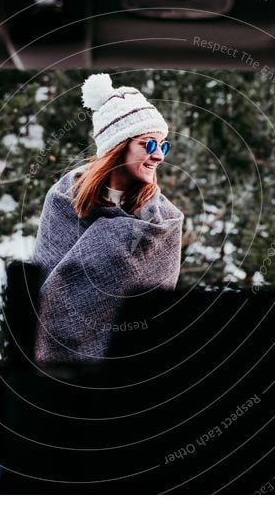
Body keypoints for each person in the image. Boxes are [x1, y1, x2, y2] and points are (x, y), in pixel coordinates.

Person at [32, 72, 184, 362]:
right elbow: (45, 293)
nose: (159, 156)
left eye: (163, 145)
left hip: (132, 363)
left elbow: (158, 310)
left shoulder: (163, 221)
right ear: (118, 146)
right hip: (55, 363)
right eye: (148, 144)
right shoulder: (63, 201)